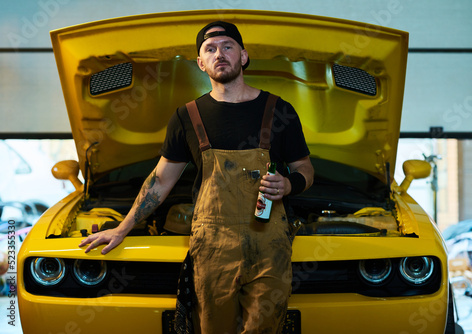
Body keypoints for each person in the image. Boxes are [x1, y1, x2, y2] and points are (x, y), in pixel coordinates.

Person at [79, 20, 314, 333]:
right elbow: (161, 181)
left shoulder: (279, 110)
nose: (220, 53)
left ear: (243, 56)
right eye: (210, 49)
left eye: (227, 46)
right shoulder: (187, 117)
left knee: (265, 328)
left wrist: (288, 184)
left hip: (269, 242)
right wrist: (122, 229)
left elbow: (306, 170)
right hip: (212, 246)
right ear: (201, 63)